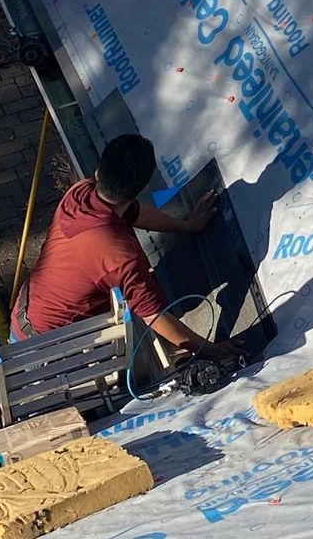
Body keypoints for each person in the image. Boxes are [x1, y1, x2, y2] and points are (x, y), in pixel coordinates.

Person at [15, 133, 239, 365]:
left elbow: (133, 212)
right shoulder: (119, 257)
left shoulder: (80, 194)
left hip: (23, 323)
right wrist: (213, 351)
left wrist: (187, 226)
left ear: (98, 173)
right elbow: (155, 316)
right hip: (47, 352)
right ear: (140, 187)